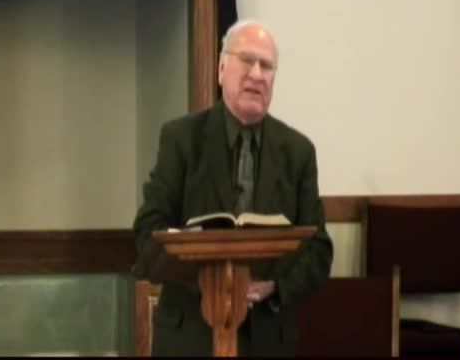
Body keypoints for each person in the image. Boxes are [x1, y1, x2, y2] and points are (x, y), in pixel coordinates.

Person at [132, 20, 333, 356]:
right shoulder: (180, 139)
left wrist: (275, 286)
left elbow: (319, 251)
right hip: (189, 336)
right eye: (247, 60)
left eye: (266, 66)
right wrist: (205, 278)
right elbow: (147, 231)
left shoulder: (298, 152)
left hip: (267, 338)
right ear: (221, 69)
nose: (257, 74)